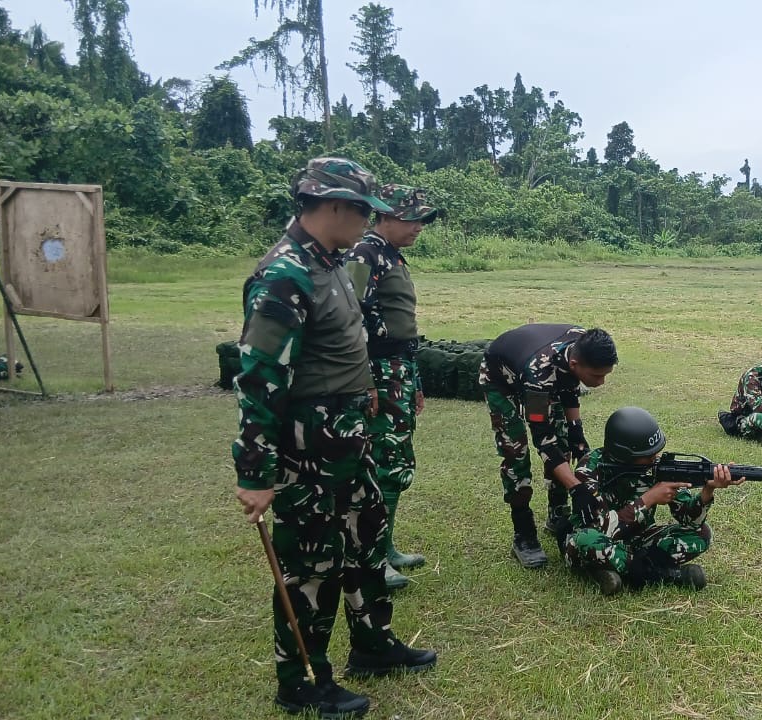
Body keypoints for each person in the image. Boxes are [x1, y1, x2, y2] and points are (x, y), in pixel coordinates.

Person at [232, 158, 436, 718]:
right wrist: (255, 472)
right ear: (335, 207)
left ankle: (372, 644)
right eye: (363, 210)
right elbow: (258, 377)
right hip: (308, 449)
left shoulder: (333, 262)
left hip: (350, 437)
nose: (368, 221)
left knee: (365, 539)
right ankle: (302, 680)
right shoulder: (284, 274)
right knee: (312, 564)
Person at [344, 184, 441, 591]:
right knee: (382, 462)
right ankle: (371, 555)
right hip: (377, 371)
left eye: (421, 219)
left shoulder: (391, 255)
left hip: (398, 369)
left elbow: (402, 329)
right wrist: (364, 381)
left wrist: (414, 380)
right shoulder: (364, 254)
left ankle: (385, 547)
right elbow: (349, 320)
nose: (419, 226)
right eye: (412, 218)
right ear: (384, 215)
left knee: (397, 459)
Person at [478, 323, 618, 568]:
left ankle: (558, 513)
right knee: (515, 451)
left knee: (566, 441)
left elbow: (568, 386)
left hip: (541, 370)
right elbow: (543, 440)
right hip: (501, 379)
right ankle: (523, 533)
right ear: (576, 364)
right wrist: (577, 488)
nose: (602, 382)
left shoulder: (582, 342)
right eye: (597, 376)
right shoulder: (539, 375)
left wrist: (577, 433)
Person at [564, 407, 741, 595]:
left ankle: (615, 569)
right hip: (597, 539)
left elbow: (689, 521)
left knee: (700, 533)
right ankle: (663, 573)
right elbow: (597, 528)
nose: (655, 458)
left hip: (638, 539)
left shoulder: (656, 468)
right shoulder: (589, 469)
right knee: (586, 541)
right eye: (648, 455)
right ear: (625, 454)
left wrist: (708, 490)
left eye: (656, 452)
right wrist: (648, 500)